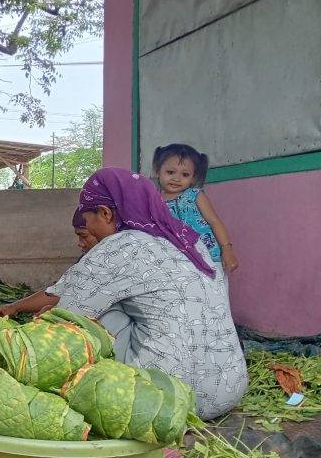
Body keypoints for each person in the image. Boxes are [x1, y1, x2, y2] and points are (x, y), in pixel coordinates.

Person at [47, 168, 247, 419]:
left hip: (164, 400)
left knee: (94, 313)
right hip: (228, 390)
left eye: (88, 218)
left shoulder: (120, 245)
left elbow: (66, 318)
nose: (88, 227)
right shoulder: (190, 240)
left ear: (105, 213)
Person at [152, 143, 238, 280]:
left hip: (209, 257)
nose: (176, 178)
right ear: (157, 170)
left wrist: (227, 249)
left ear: (193, 177)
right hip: (176, 261)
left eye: (185, 174)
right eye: (170, 172)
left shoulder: (195, 195)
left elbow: (215, 222)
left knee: (214, 297)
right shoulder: (153, 201)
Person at [0, 209, 98, 318]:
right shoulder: (86, 260)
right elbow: (60, 292)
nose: (80, 243)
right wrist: (14, 307)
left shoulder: (111, 263)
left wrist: (59, 310)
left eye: (84, 236)